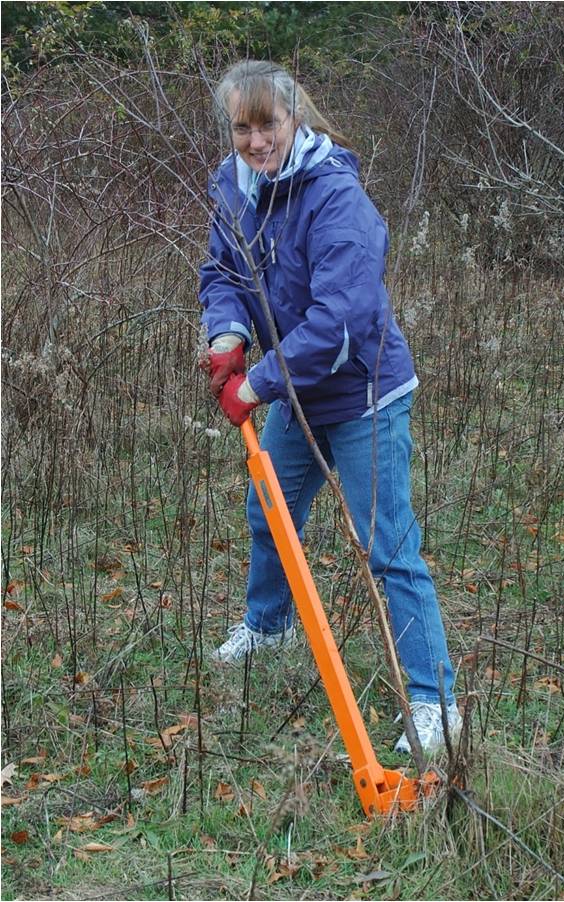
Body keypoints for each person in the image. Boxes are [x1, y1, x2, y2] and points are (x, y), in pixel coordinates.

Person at [199, 60, 461, 754]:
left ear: (296, 119)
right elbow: (222, 270)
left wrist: (253, 383)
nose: (256, 141)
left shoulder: (335, 196)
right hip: (296, 390)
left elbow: (342, 319)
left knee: (388, 547)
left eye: (269, 125)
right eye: (242, 128)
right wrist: (226, 334)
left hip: (364, 392)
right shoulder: (233, 186)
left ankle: (437, 703)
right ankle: (271, 624)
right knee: (271, 511)